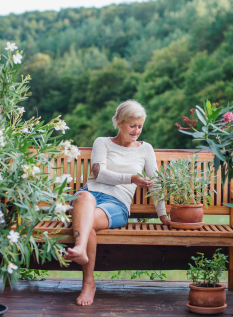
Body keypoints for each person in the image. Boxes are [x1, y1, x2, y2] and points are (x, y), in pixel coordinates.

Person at [65, 99, 170, 306]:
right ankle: (86, 272)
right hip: (90, 195)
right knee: (84, 198)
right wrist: (130, 177)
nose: (136, 131)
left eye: (140, 126)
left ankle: (82, 261)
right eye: (132, 125)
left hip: (116, 204)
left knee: (87, 224)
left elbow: (155, 183)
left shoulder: (145, 149)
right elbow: (99, 174)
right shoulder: (101, 142)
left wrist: (163, 214)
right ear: (119, 123)